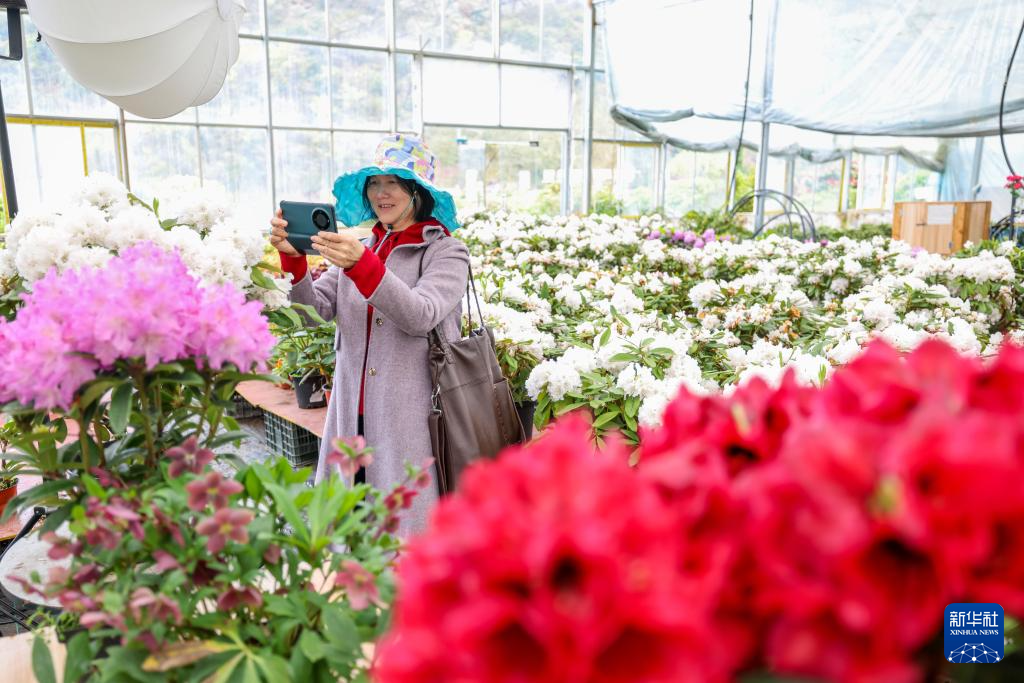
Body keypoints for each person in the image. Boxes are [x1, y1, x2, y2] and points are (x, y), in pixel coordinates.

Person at [269, 134, 469, 536]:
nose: (382, 193)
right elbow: (312, 315)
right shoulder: (363, 247)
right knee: (350, 528)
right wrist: (294, 261)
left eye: (393, 182)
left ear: (417, 191)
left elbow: (420, 315)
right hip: (350, 416)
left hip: (409, 419)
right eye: (374, 183)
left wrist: (362, 266)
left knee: (404, 531)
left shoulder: (446, 252)